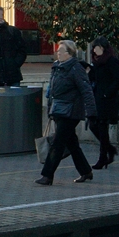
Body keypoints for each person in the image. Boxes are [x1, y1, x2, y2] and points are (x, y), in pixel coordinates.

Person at [37, 40, 98, 185]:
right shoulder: (57, 67)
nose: (58, 53)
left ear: (69, 53)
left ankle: (47, 175)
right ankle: (85, 171)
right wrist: (51, 109)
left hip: (71, 111)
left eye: (61, 51)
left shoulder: (76, 68)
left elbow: (86, 90)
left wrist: (91, 112)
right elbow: (52, 91)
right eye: (58, 51)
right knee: (72, 144)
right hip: (59, 110)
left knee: (58, 143)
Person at [87, 36, 119, 169]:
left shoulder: (111, 62)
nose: (96, 50)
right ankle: (109, 149)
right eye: (94, 48)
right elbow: (93, 79)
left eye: (98, 48)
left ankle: (103, 157)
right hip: (97, 98)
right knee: (93, 125)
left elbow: (118, 80)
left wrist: (107, 93)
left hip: (107, 100)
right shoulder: (95, 62)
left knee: (102, 127)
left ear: (104, 48)